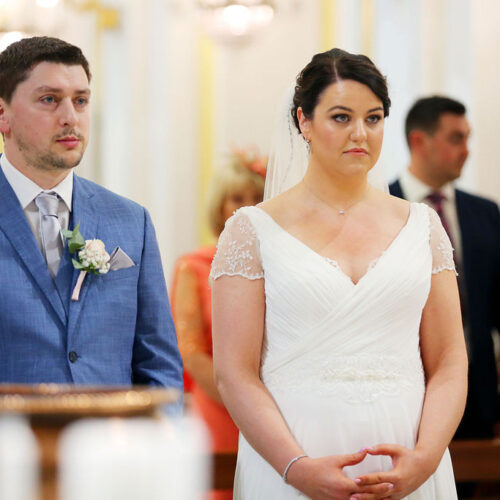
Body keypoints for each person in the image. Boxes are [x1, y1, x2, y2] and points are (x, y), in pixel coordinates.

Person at [210, 49, 468, 499]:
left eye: (374, 118)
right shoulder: (252, 231)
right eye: (341, 117)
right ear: (304, 122)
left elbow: (449, 360)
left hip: (406, 455)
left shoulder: (423, 226)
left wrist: (426, 457)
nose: (360, 134)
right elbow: (235, 373)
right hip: (295, 452)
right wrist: (296, 467)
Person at [0, 36, 183, 392]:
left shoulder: (131, 221)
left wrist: (156, 440)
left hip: (112, 441)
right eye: (49, 100)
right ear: (3, 114)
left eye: (80, 101)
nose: (70, 117)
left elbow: (158, 362)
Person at [390, 96, 500, 439]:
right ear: (418, 141)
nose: (466, 149)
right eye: (456, 138)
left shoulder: (485, 213)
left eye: (468, 138)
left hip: (479, 399)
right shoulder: (382, 206)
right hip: (403, 398)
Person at [171, 149, 265, 499]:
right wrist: (243, 401)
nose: (248, 207)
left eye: (258, 198)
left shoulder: (284, 265)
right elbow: (190, 351)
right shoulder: (193, 266)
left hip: (280, 407)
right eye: (237, 199)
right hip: (218, 406)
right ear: (220, 206)